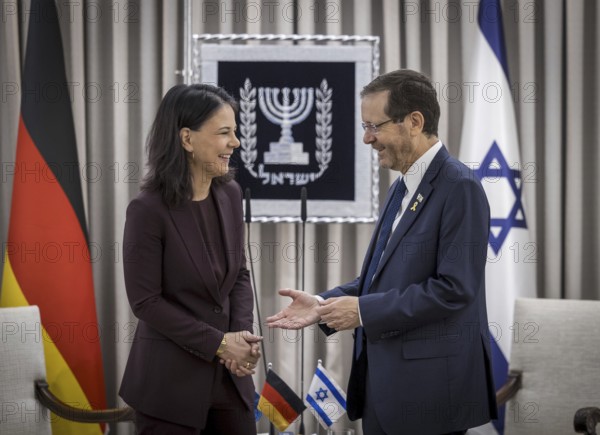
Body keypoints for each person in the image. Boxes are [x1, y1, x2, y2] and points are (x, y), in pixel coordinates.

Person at [267, 69, 498, 435]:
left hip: (429, 395)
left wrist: (361, 311)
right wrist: (322, 304)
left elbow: (454, 290)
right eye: (364, 126)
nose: (366, 138)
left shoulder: (460, 187)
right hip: (383, 390)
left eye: (375, 126)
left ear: (414, 122)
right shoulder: (401, 186)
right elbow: (379, 279)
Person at [119, 84, 262, 434]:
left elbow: (239, 273)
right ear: (186, 139)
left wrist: (239, 337)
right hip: (169, 385)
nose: (236, 143)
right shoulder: (147, 210)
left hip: (230, 380)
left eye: (236, 132)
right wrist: (218, 343)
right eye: (224, 133)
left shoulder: (230, 193)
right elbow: (146, 302)